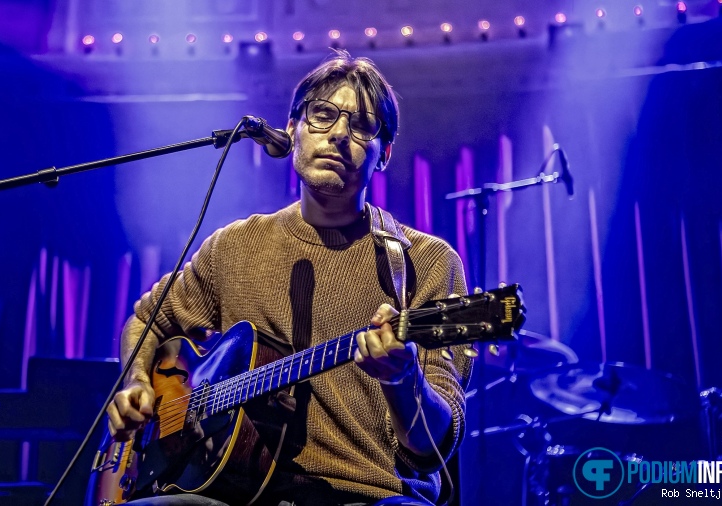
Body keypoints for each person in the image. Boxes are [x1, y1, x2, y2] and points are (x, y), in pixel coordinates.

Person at [106, 49, 472, 506]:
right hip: (230, 491)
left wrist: (402, 378)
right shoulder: (235, 245)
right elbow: (146, 322)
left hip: (370, 495)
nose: (339, 133)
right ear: (293, 128)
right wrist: (137, 383)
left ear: (384, 155)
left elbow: (433, 448)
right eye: (323, 115)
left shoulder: (426, 263)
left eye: (362, 126)